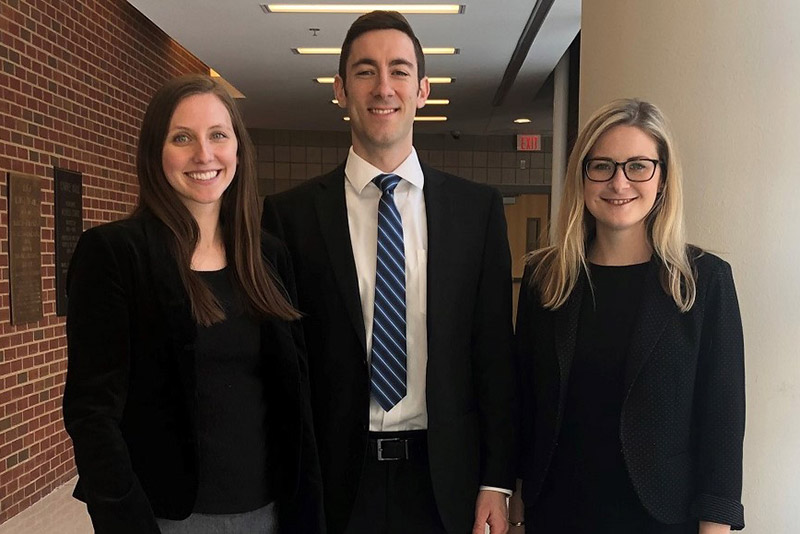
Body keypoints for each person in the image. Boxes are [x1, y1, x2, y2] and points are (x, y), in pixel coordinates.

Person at [262, 10, 515, 534]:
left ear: (422, 89)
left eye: (399, 71)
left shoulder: (477, 212)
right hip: (334, 485)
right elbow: (282, 367)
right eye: (365, 71)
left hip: (444, 482)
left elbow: (493, 355)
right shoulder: (289, 217)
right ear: (340, 89)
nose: (384, 87)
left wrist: (497, 479)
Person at [62, 74, 323, 534]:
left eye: (218, 136)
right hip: (166, 517)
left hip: (268, 512)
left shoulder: (267, 257)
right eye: (182, 138)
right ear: (154, 152)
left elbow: (294, 399)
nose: (204, 155)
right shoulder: (116, 254)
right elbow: (91, 413)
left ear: (238, 149)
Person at [512, 99, 745, 533]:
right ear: (581, 176)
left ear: (662, 177)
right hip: (558, 513)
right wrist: (517, 504)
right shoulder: (545, 278)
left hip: (661, 517)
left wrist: (717, 525)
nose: (618, 182)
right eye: (601, 166)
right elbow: (524, 403)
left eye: (638, 166)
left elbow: (723, 424)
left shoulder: (703, 282)